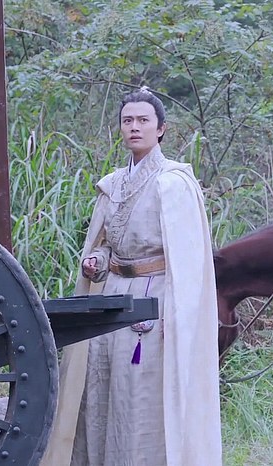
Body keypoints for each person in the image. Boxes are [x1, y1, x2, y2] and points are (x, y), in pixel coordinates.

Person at [41, 87, 222, 466]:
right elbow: (108, 244)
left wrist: (176, 316)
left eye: (143, 120)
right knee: (100, 386)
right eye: (128, 120)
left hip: (155, 298)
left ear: (161, 129)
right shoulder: (114, 184)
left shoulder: (173, 183)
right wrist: (96, 261)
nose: (134, 127)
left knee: (138, 392)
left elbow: (188, 263)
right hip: (111, 295)